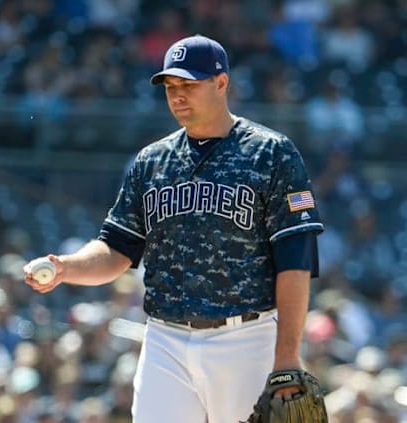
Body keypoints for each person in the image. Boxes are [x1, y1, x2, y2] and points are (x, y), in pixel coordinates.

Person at [24, 35, 324, 422]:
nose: (178, 95)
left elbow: (295, 260)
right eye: (171, 87)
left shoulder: (271, 153)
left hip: (245, 338)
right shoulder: (152, 162)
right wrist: (67, 266)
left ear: (221, 83)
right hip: (165, 340)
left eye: (189, 85)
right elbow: (116, 249)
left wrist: (286, 357)